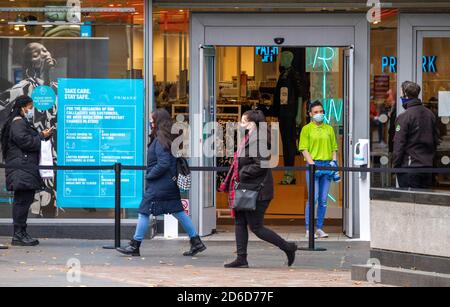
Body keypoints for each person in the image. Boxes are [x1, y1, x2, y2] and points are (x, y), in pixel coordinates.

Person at [117, 109, 206, 257]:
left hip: (159, 185)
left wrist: (150, 175)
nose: (150, 122)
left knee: (144, 211)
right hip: (168, 184)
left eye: (152, 120)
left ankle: (135, 245)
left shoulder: (160, 140)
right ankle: (196, 242)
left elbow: (164, 163)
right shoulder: (166, 138)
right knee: (179, 212)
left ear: (158, 121)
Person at [220, 110, 298, 268]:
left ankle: (288, 247)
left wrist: (241, 172)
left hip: (257, 190)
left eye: (244, 121)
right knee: (240, 222)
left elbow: (260, 165)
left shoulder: (260, 140)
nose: (241, 124)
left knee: (256, 226)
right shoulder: (250, 138)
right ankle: (241, 258)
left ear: (254, 123)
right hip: (247, 187)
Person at [1, 95, 53, 246]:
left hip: (23, 168)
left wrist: (40, 136)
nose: (31, 110)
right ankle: (18, 234)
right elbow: (25, 142)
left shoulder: (19, 122)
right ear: (23, 107)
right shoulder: (18, 122)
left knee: (24, 201)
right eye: (30, 108)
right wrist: (41, 136)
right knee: (22, 202)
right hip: (21, 168)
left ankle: (21, 233)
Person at [299, 101, 338, 239]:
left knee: (323, 199)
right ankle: (309, 230)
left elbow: (334, 148)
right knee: (313, 198)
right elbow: (304, 149)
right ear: (310, 114)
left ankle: (319, 228)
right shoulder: (306, 129)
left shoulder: (329, 129)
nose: (319, 114)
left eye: (321, 111)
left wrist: (334, 162)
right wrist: (312, 164)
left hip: (327, 165)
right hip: (313, 164)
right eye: (315, 112)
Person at [393, 81, 439, 189]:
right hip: (427, 167)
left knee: (409, 203)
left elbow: (399, 144)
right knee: (424, 203)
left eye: (401, 93)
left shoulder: (404, 117)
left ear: (405, 94)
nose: (400, 96)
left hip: (410, 168)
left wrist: (395, 166)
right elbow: (436, 140)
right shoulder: (430, 114)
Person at [273, 51, 305, 185]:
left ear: (289, 59)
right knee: (286, 143)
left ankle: (289, 173)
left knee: (290, 144)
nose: (281, 60)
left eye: (283, 58)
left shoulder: (293, 74)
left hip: (290, 114)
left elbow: (299, 95)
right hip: (283, 113)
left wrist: (298, 115)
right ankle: (288, 172)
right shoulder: (283, 74)